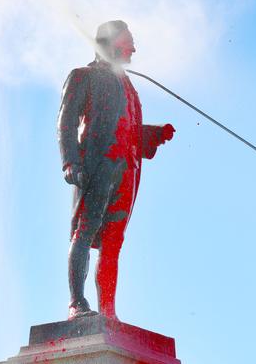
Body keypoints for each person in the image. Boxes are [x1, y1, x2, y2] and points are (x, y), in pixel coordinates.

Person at [57, 20, 175, 320]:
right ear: (110, 43)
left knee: (113, 242)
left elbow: (126, 127)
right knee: (85, 231)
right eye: (128, 41)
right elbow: (66, 122)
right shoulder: (83, 76)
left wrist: (153, 134)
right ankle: (77, 303)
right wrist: (70, 161)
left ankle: (108, 311)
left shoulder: (128, 87)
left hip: (127, 171)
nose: (133, 48)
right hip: (97, 165)